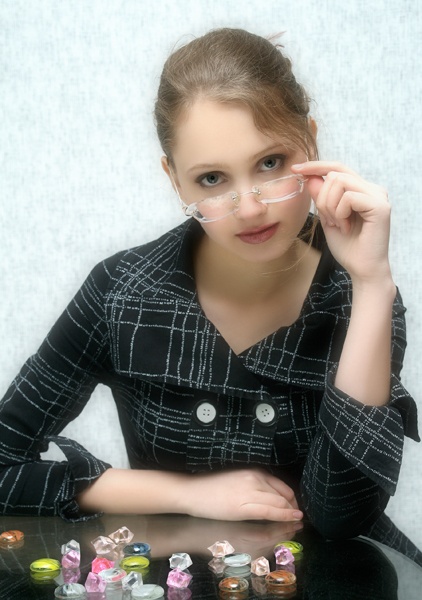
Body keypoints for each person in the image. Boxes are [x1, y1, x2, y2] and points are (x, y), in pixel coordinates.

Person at [0, 28, 419, 540]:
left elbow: (342, 516)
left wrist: (372, 283)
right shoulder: (122, 291)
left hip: (347, 571)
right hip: (181, 570)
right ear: (174, 178)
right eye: (212, 179)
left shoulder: (357, 291)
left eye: (270, 163)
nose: (250, 208)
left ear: (310, 141)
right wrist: (184, 495)